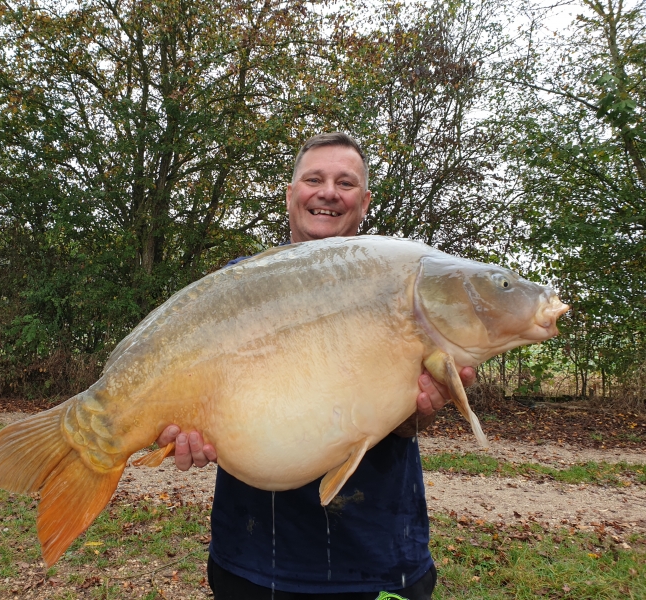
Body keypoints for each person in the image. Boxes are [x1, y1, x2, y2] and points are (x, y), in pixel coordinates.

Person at [157, 133, 475, 599]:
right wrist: (174, 432)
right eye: (314, 179)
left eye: (345, 183)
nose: (328, 191)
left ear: (364, 202)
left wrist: (424, 407)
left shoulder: (399, 280)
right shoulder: (236, 285)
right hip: (252, 558)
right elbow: (185, 399)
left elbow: (403, 423)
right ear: (291, 195)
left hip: (379, 558)